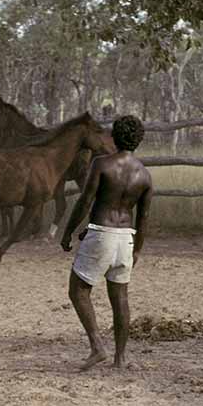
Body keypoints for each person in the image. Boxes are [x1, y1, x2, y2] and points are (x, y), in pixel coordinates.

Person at [60, 115, 153, 371]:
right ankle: (120, 359)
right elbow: (143, 218)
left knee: (78, 291)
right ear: (139, 140)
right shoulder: (144, 175)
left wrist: (68, 232)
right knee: (120, 297)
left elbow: (86, 200)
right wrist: (138, 250)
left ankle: (97, 346)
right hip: (126, 238)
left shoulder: (102, 164)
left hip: (102, 233)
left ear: (113, 136)